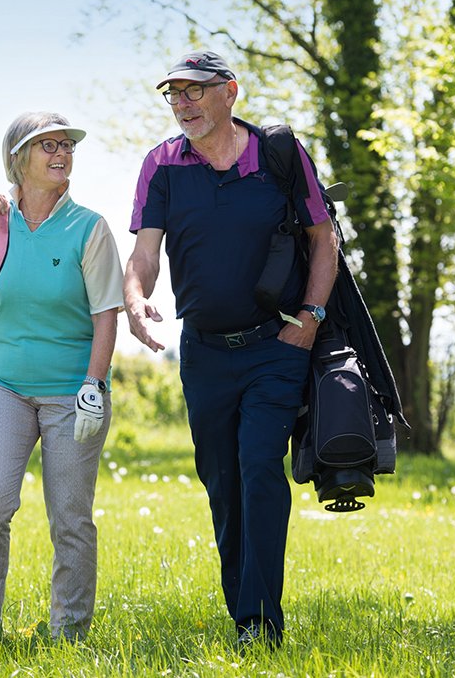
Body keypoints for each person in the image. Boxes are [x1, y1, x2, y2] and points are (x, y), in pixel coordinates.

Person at [124, 51, 338, 647]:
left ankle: (259, 624)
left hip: (276, 346)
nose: (183, 104)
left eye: (194, 91)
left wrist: (310, 319)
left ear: (229, 93)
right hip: (205, 353)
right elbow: (143, 253)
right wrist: (136, 298)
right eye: (174, 94)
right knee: (222, 481)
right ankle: (243, 610)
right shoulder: (162, 166)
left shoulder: (278, 154)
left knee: (259, 469)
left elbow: (324, 239)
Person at [0, 112, 124, 643]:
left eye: (66, 144)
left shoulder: (89, 227)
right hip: (2, 383)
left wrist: (94, 383)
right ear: (18, 159)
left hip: (73, 390)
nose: (61, 152)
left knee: (70, 516)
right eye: (46, 145)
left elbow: (106, 313)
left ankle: (68, 632)